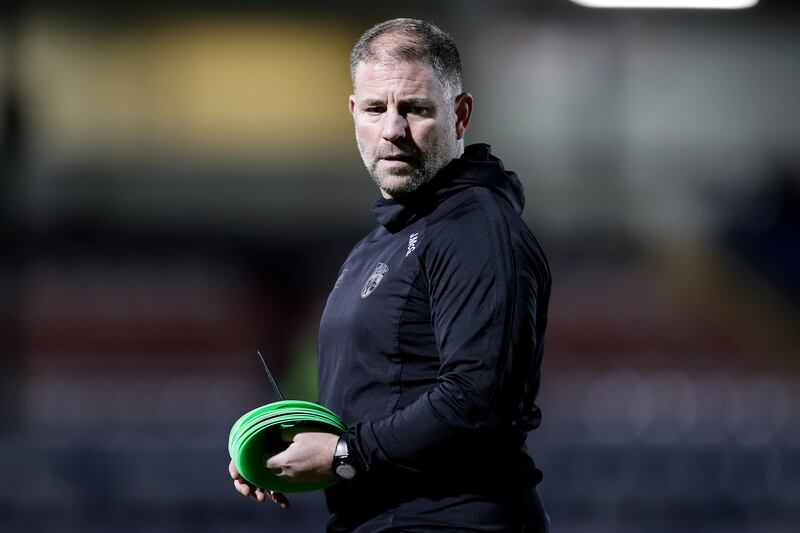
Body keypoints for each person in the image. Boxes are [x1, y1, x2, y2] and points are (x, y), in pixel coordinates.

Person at [230, 17, 551, 532]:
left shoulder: (476, 228)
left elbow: (477, 401)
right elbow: (381, 395)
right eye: (377, 109)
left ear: (460, 115)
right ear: (354, 113)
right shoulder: (381, 242)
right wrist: (285, 449)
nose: (393, 131)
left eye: (416, 109)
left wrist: (341, 453)